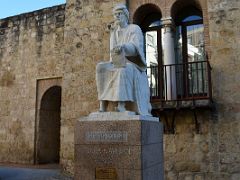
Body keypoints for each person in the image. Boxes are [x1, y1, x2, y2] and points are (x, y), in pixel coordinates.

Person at [96, 4, 152, 116]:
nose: (117, 16)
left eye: (120, 14)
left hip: (133, 63)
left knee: (122, 69)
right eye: (115, 14)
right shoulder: (115, 32)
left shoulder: (134, 29)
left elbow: (135, 47)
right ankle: (102, 102)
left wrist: (124, 47)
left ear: (126, 15)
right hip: (117, 62)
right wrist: (112, 34)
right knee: (101, 67)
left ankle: (121, 105)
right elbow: (113, 51)